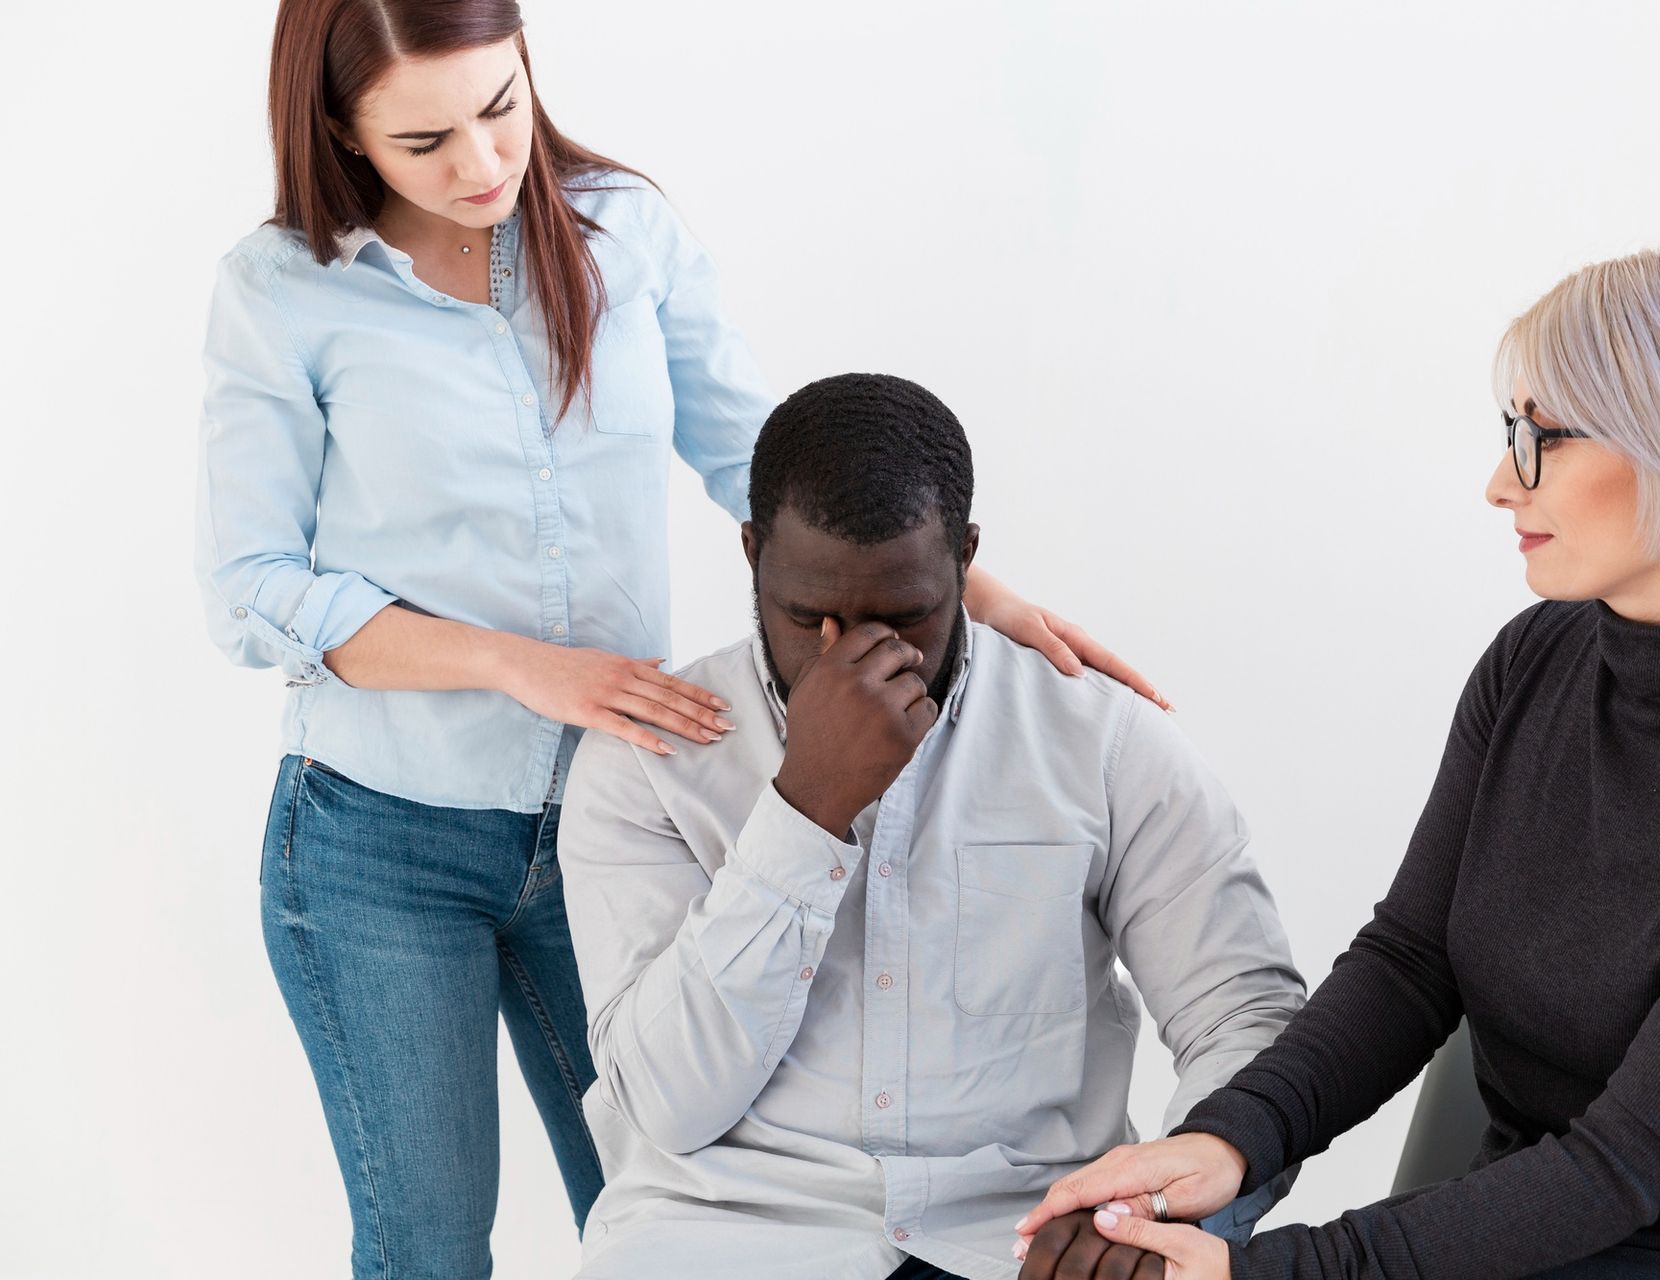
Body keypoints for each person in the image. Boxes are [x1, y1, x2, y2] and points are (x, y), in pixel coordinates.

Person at [195, 4, 1163, 1274]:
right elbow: (250, 588)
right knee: (427, 1245)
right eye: (425, 140)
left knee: (684, 1209)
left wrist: (973, 593)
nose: (484, 164)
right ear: (342, 130)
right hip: (382, 841)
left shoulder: (623, 233)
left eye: (502, 106)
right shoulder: (284, 292)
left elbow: (756, 458)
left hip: (624, 830)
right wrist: (513, 661)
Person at [1012, 243, 1660, 1279]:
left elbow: (1624, 1164)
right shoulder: (1539, 659)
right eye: (1509, 431)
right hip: (1543, 1229)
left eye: (1542, 438)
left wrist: (1256, 1274)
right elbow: (1410, 960)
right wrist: (1230, 1136)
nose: (1500, 481)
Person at [556, 372, 1309, 1279]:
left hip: (1027, 1241)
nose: (860, 657)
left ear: (966, 560)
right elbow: (667, 1103)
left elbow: (1246, 1015)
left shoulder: (1102, 741)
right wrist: (807, 812)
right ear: (752, 554)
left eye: (907, 616)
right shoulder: (645, 761)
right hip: (729, 1239)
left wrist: (1152, 1206)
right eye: (809, 618)